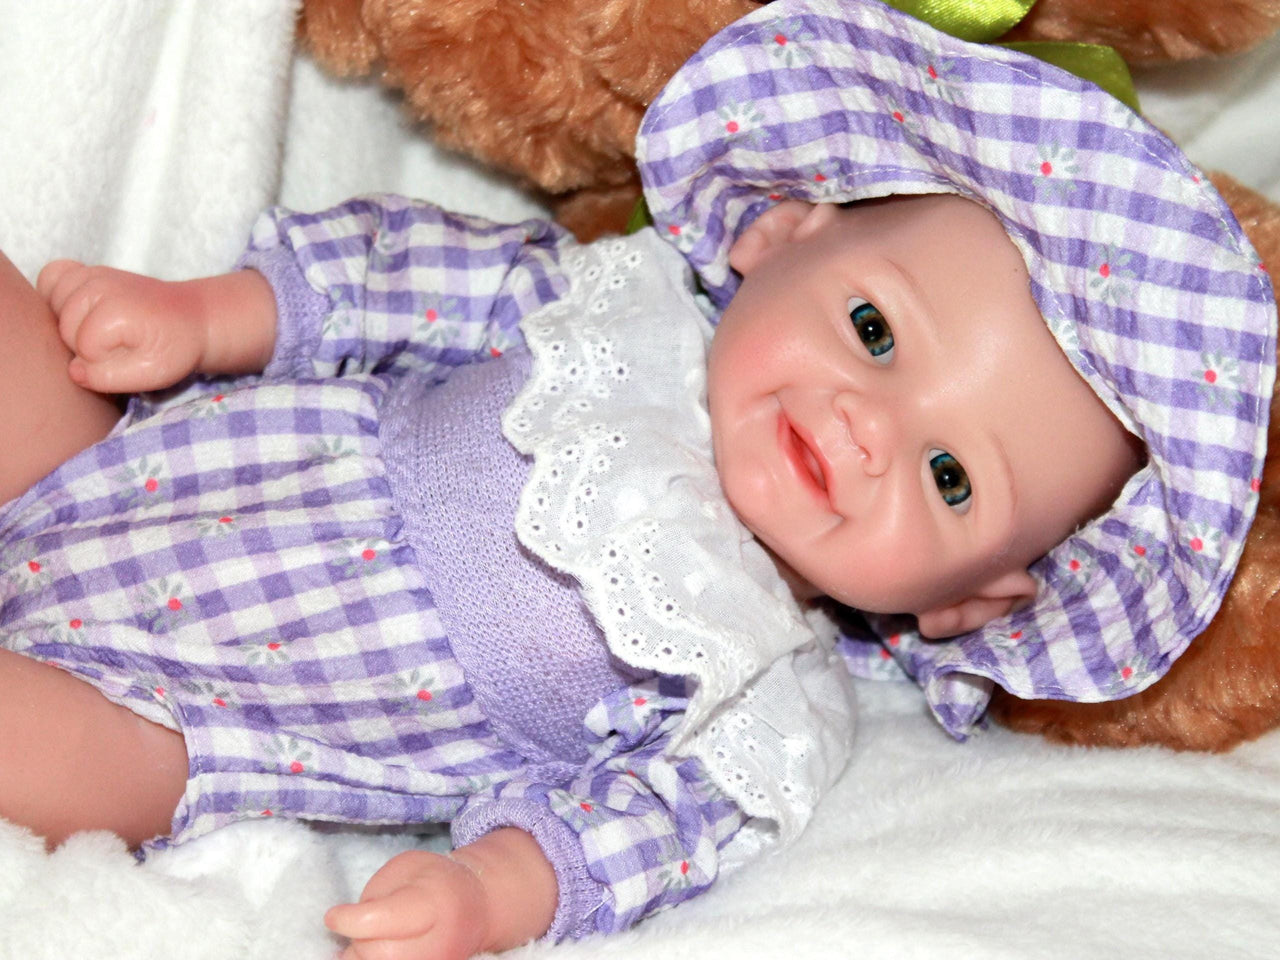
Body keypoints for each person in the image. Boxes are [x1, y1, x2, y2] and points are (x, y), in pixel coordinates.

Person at [1, 0, 1273, 958]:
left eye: (949, 478)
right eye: (874, 334)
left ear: (971, 603)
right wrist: (211, 317)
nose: (867, 429)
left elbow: (650, 831)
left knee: (39, 750)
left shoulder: (763, 695)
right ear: (779, 235)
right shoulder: (611, 309)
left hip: (191, 731)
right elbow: (405, 272)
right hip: (129, 452)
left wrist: (494, 891)